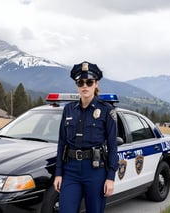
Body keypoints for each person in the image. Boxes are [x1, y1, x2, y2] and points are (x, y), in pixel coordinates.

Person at [53, 61, 119, 213]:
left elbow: (112, 147)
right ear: (76, 85)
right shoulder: (69, 110)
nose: (85, 86)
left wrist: (110, 177)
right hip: (71, 171)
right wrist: (58, 173)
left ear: (96, 84)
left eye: (89, 82)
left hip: (95, 171)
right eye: (80, 82)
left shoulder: (106, 111)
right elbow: (62, 143)